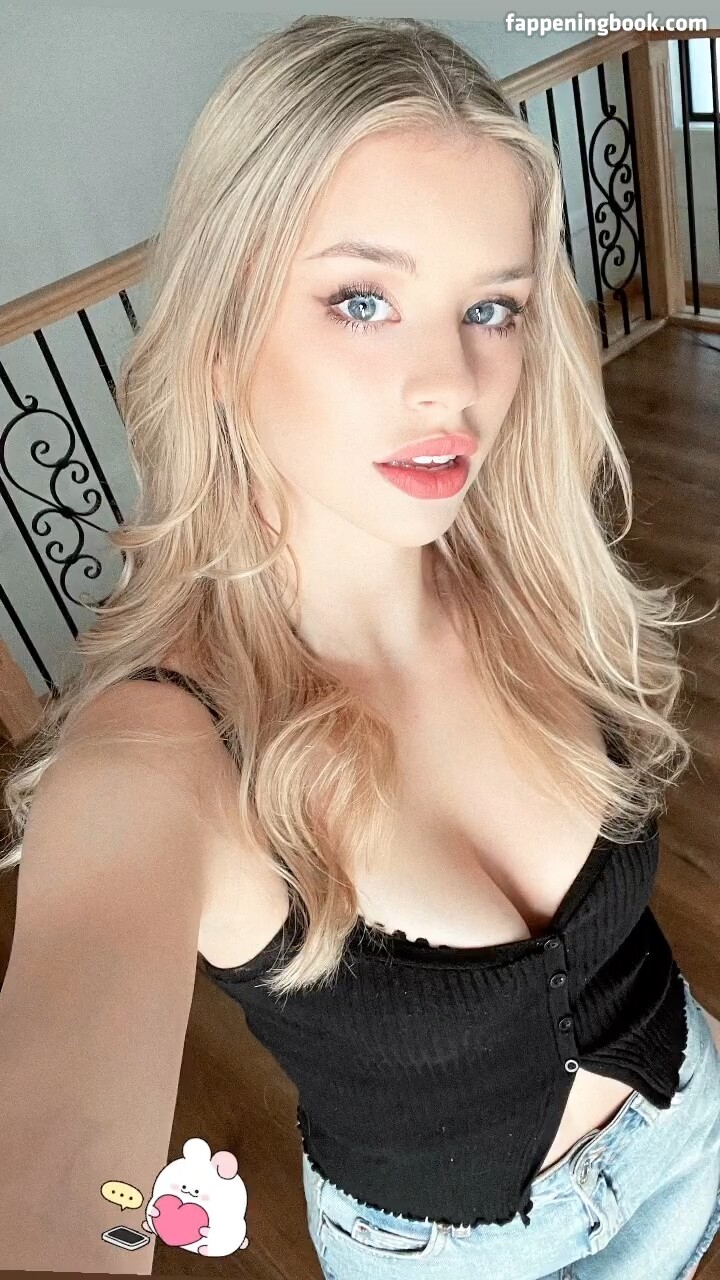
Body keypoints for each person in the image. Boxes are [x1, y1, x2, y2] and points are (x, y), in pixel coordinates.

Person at [0, 15, 719, 1278]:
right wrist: (98, 1211)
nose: (451, 381)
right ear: (221, 339)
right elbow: (56, 1186)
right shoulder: (164, 751)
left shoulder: (534, 579)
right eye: (363, 300)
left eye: (491, 307)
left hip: (688, 1122)